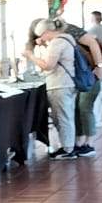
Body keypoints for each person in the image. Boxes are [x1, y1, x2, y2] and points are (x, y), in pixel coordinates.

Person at [25, 19, 83, 159]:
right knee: (67, 116)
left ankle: (68, 149)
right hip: (68, 83)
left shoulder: (57, 43)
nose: (41, 39)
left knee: (62, 117)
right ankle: (69, 145)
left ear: (46, 32)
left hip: (60, 84)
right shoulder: (66, 39)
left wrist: (30, 56)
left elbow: (48, 65)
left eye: (42, 35)